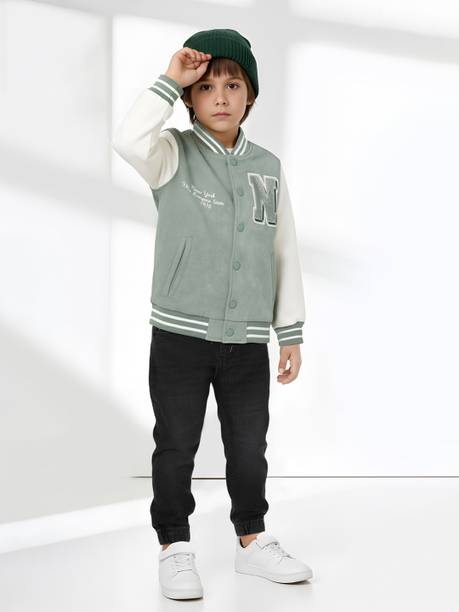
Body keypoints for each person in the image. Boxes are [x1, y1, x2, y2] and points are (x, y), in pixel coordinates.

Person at [112, 28, 313, 600]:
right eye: (205, 87)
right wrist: (170, 76)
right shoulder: (171, 153)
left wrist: (289, 332)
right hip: (180, 334)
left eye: (233, 85)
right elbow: (127, 139)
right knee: (176, 443)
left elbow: (283, 248)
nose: (220, 96)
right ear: (189, 99)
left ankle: (252, 540)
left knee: (249, 445)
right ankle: (174, 546)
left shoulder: (268, 167)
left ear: (251, 96)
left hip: (247, 339)